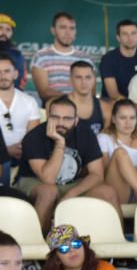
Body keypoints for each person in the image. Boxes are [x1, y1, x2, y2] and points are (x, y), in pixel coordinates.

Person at [17, 97, 120, 230]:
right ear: (48, 116)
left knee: (108, 191)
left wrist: (71, 194)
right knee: (49, 191)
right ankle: (38, 243)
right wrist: (60, 143)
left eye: (67, 118)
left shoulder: (86, 134)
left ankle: (118, 238)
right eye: (55, 117)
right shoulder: (34, 137)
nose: (61, 122)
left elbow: (97, 174)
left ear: (76, 120)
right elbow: (48, 179)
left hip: (72, 183)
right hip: (35, 182)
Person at [30, 12, 94, 100]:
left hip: (82, 108)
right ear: (53, 30)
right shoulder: (41, 57)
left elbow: (92, 92)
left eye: (72, 28)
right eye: (63, 27)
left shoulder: (86, 58)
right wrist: (70, 98)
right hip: (53, 107)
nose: (68, 33)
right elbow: (44, 92)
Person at [0, 53, 40, 185]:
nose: (3, 76)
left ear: (16, 74)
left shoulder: (29, 101)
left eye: (7, 71)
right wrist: (6, 150)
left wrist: (19, 149)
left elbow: (33, 136)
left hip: (23, 155)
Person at [99, 19, 137, 100]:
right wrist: (136, 107)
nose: (130, 37)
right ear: (118, 38)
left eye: (133, 33)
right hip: (114, 105)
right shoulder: (108, 59)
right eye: (125, 34)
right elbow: (114, 95)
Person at [67, 61, 111, 138]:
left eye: (88, 77)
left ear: (94, 80)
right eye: (78, 77)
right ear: (70, 80)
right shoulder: (57, 105)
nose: (84, 82)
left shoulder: (106, 108)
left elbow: (106, 141)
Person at [0, 14, 27, 89]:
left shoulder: (17, 54)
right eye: (0, 28)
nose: (4, 33)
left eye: (8, 29)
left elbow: (21, 81)